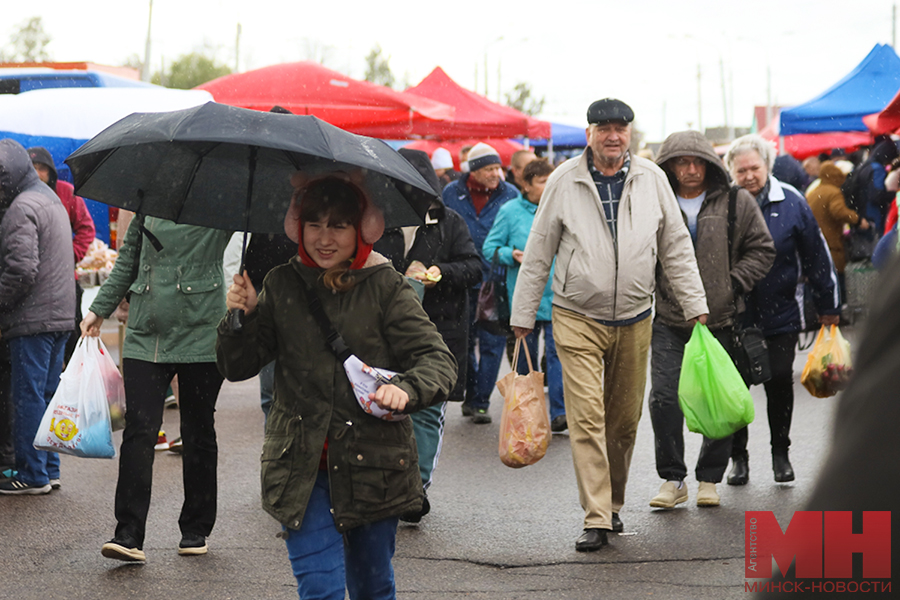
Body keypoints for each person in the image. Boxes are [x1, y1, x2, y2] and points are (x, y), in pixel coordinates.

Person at [217, 173, 456, 599]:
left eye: (338, 225)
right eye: (314, 224)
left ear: (361, 229)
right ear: (298, 227)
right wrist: (243, 318)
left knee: (372, 586)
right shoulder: (282, 283)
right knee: (321, 590)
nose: (324, 238)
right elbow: (238, 367)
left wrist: (407, 388)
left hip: (374, 466)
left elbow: (438, 361)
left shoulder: (386, 286)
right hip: (301, 468)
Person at [510, 99, 709, 552]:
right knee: (586, 418)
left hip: (636, 317)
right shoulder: (564, 180)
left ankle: (614, 503)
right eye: (604, 129)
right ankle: (596, 515)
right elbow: (540, 249)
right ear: (589, 135)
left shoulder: (652, 179)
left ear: (630, 135)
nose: (613, 136)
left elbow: (675, 245)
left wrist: (695, 303)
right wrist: (523, 316)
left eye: (620, 129)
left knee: (623, 421)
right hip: (576, 315)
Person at [81, 213, 233, 561]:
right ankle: (128, 533)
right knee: (140, 429)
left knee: (198, 430)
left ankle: (195, 529)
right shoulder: (148, 201)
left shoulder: (219, 203)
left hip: (202, 330)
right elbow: (127, 262)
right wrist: (99, 309)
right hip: (145, 333)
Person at [648, 131, 775, 510]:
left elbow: (762, 249)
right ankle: (673, 478)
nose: (689, 170)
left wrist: (731, 284)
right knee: (664, 399)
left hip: (721, 320)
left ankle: (709, 479)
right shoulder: (657, 201)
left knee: (717, 399)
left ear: (709, 164)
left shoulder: (737, 200)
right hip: (669, 318)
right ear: (668, 166)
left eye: (697, 162)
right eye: (681, 162)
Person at [724, 134, 840, 486]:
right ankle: (738, 459)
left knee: (777, 381)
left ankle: (780, 454)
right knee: (736, 387)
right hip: (734, 314)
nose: (748, 176)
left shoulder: (791, 201)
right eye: (740, 170)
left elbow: (817, 256)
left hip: (782, 311)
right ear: (731, 171)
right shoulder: (724, 204)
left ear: (767, 166)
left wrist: (828, 306)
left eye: (754, 168)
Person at [374, 148, 481, 522]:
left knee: (426, 410)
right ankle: (388, 483)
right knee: (385, 409)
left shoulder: (449, 222)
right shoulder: (376, 221)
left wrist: (439, 273)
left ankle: (415, 490)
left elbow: (473, 268)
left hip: (438, 331)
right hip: (385, 334)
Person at [0, 139, 75, 495]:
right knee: (47, 394)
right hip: (61, 313)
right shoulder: (50, 198)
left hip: (33, 318)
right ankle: (50, 468)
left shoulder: (20, 207)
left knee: (27, 395)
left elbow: (21, 270)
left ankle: (32, 475)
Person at [482, 158, 567, 432]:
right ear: (526, 184)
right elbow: (490, 248)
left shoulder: (562, 208)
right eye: (542, 181)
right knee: (525, 360)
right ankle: (526, 413)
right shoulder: (510, 211)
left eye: (550, 179)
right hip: (524, 296)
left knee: (557, 355)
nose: (547, 185)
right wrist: (511, 255)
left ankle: (559, 413)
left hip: (558, 295)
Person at [443, 142, 519, 424]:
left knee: (492, 340)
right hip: (462, 278)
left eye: (498, 167)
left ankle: (481, 401)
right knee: (464, 340)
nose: (496, 174)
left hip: (497, 279)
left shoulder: (510, 194)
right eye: (489, 168)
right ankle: (472, 390)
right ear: (474, 170)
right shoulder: (452, 192)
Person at [27, 146, 96, 362]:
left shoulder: (66, 192)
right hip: (30, 279)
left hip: (65, 279)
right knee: (35, 336)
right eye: (33, 168)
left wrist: (70, 254)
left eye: (42, 168)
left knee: (70, 331)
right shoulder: (19, 196)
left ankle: (70, 373)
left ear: (51, 172)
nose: (38, 173)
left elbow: (86, 228)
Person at [805, 160, 868, 302]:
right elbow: (838, 211)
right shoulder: (833, 192)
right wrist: (857, 220)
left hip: (818, 240)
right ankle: (837, 308)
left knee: (822, 277)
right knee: (836, 277)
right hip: (831, 241)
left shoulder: (816, 191)